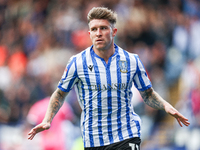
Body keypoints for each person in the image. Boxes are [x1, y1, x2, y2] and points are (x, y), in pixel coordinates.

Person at [28, 7, 190, 150]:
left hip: (126, 134)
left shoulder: (131, 60)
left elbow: (147, 94)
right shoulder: (77, 62)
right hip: (95, 139)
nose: (98, 33)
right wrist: (48, 119)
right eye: (94, 29)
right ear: (89, 33)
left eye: (103, 28)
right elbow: (60, 93)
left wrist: (166, 106)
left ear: (114, 32)